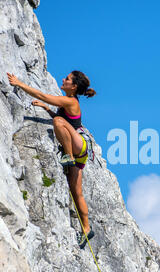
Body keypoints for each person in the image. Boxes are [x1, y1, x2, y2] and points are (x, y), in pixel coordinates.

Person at [7, 71, 96, 247]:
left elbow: (44, 96)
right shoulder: (69, 101)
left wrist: (19, 83)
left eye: (68, 79)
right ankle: (86, 228)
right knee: (75, 191)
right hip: (81, 149)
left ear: (74, 86)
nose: (64, 80)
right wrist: (47, 109)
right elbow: (63, 119)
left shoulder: (70, 101)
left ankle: (68, 155)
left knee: (58, 123)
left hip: (79, 145)